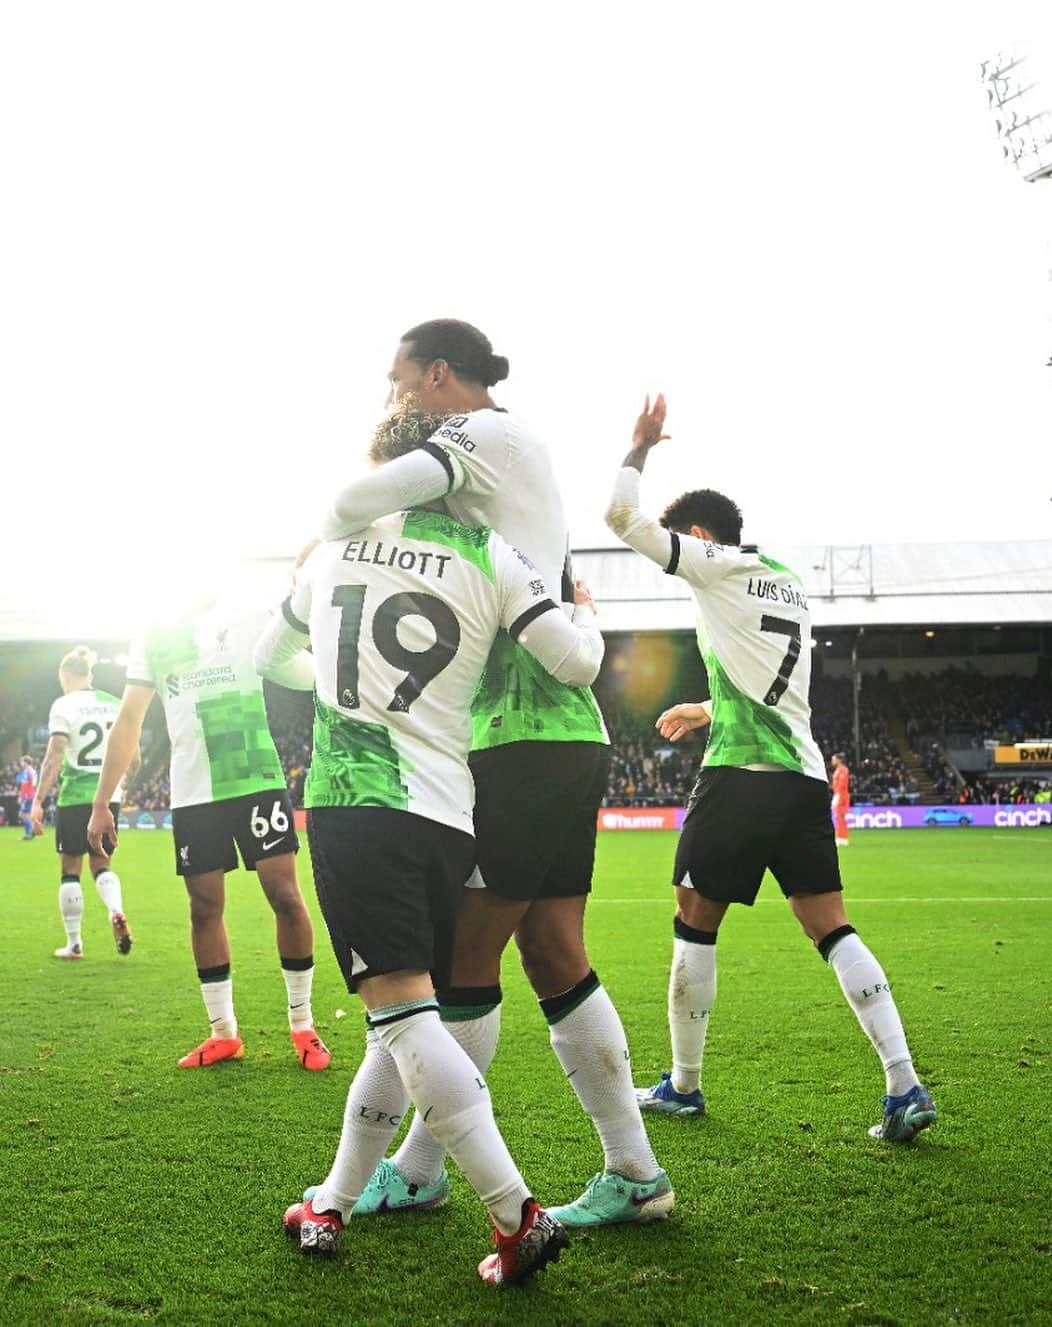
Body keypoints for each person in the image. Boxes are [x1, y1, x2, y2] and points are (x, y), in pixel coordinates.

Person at [299, 323, 671, 1228]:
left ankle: (421, 1169)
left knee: (452, 964)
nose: (392, 400)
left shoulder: (485, 436)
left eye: (397, 383)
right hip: (550, 731)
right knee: (551, 949)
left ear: (435, 376)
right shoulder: (498, 475)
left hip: (515, 735)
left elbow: (349, 502)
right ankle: (636, 1172)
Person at [258, 438, 606, 1281]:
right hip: (451, 810)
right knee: (399, 1018)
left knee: (405, 1018)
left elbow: (269, 661)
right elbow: (578, 661)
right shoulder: (492, 551)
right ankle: (334, 1199)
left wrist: (341, 675)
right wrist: (584, 608)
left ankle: (514, 1211)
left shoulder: (335, 549)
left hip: (357, 801)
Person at [606, 395, 937, 1144]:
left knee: (694, 918)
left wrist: (638, 449)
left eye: (680, 540)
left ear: (698, 536)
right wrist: (703, 705)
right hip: (800, 775)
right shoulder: (783, 578)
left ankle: (683, 1086)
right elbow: (765, 685)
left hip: (740, 775)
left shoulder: (714, 564)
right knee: (831, 926)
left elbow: (622, 522)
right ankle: (903, 1081)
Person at [86, 600, 330, 1072]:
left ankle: (303, 1024)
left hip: (255, 775)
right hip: (194, 791)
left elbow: (308, 672)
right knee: (203, 908)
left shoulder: (250, 616)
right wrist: (103, 801)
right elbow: (129, 720)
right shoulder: (153, 633)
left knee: (286, 896)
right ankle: (223, 1034)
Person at [31, 647, 135, 959]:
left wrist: (37, 801)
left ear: (64, 676)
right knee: (102, 863)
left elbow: (55, 755)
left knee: (70, 867)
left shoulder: (63, 705)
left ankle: (75, 944)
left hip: (75, 797)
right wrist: (122, 788)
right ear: (90, 675)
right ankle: (115, 909)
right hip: (108, 796)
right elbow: (135, 756)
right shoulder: (114, 704)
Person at [16, 756, 38, 841]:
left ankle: (29, 834)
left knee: (23, 815)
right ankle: (31, 832)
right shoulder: (33, 771)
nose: (21, 764)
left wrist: (21, 797)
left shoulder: (27, 771)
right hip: (32, 794)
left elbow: (24, 786)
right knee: (26, 815)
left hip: (27, 796)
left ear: (26, 762)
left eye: (22, 762)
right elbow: (34, 784)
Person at [831, 752, 851, 846]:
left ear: (839, 760)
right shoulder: (838, 770)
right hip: (839, 794)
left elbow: (842, 784)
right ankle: (842, 837)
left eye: (834, 759)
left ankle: (842, 838)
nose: (832, 761)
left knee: (840, 817)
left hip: (841, 795)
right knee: (839, 817)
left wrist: (838, 796)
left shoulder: (843, 770)